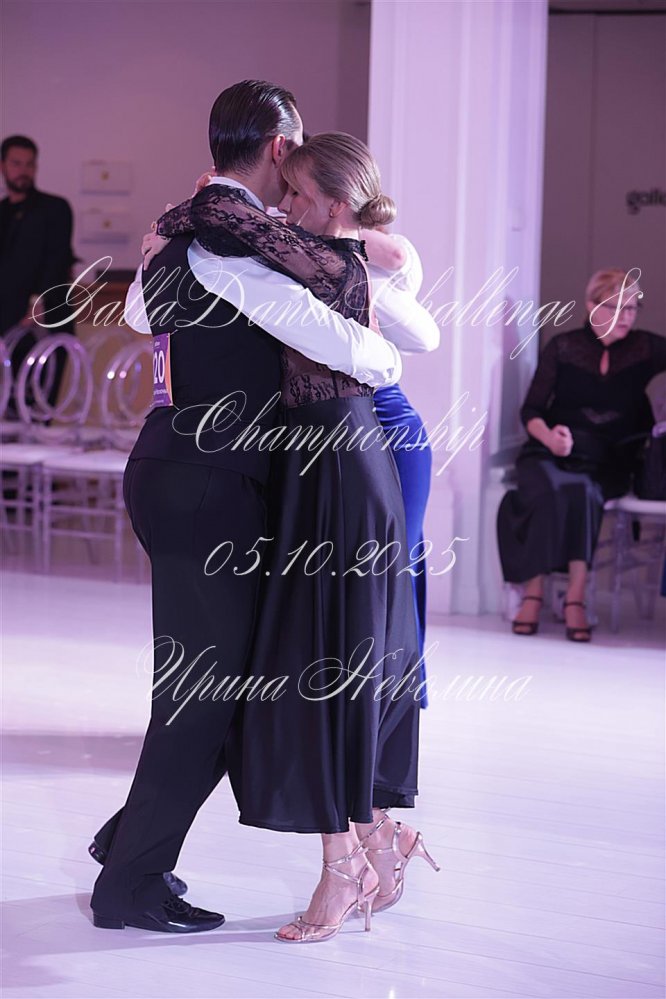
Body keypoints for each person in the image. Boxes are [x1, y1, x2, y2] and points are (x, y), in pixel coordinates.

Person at [89, 82, 402, 935]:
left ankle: (128, 846)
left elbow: (139, 312)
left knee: (238, 684)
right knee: (205, 693)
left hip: (185, 470)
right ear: (279, 146)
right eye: (295, 148)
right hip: (211, 483)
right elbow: (362, 345)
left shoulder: (188, 231)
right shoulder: (234, 242)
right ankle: (128, 881)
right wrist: (379, 334)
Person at [152, 131, 439, 944]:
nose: (280, 209)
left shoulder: (326, 259)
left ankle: (349, 858)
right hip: (322, 460)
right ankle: (375, 838)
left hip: (352, 452)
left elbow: (411, 334)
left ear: (335, 205)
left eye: (297, 195)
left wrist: (200, 210)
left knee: (342, 658)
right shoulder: (304, 253)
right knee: (333, 655)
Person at [497, 269, 666, 641]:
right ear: (591, 306)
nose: (626, 316)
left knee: (583, 491)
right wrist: (550, 438)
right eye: (616, 307)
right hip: (550, 450)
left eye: (632, 308)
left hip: (609, 460)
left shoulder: (645, 348)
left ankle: (575, 596)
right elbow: (531, 410)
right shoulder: (564, 346)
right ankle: (534, 592)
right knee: (547, 488)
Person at [364, 229, 437, 693]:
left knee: (398, 560)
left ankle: (402, 691)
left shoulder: (364, 269)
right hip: (330, 432)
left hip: (394, 431)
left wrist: (347, 237)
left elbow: (399, 257)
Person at [0, 136, 76, 404]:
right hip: (6, 326)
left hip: (45, 323)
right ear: (3, 166)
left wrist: (38, 301)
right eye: (16, 163)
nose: (23, 171)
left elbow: (56, 260)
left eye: (29, 164)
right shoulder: (2, 212)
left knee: (37, 406)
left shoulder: (54, 209)